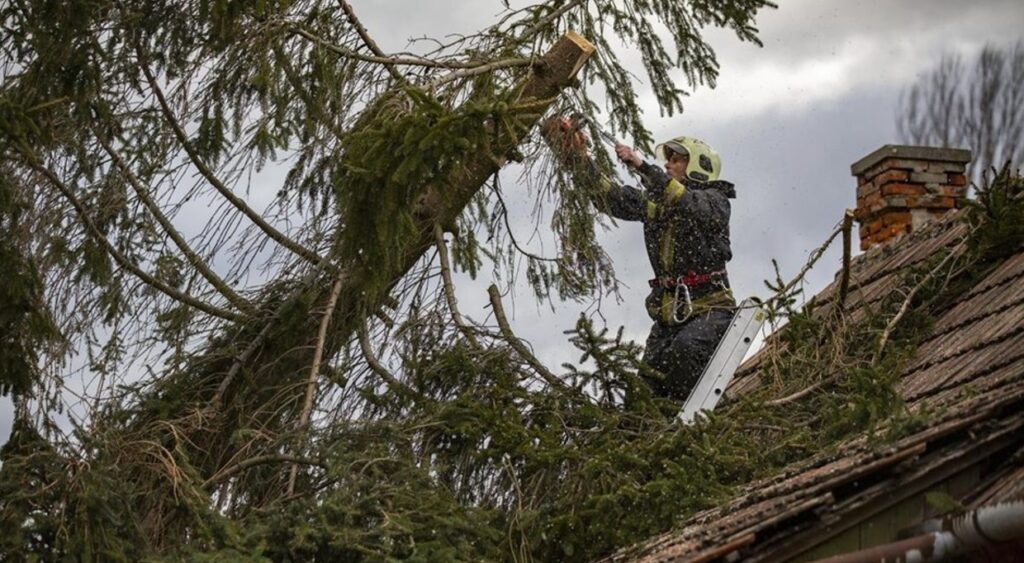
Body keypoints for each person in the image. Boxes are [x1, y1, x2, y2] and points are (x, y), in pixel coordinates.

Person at [545, 117, 737, 401]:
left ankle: (699, 419)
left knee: (685, 352)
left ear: (699, 166)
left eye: (676, 160)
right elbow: (611, 197)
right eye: (667, 160)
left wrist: (642, 167)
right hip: (668, 320)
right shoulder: (658, 206)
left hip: (712, 312)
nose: (667, 165)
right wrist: (578, 159)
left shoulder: (714, 202)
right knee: (642, 392)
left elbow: (686, 203)